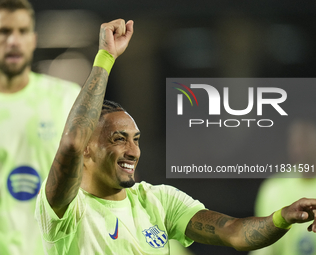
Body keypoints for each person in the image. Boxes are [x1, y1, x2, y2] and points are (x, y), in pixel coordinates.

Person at [35, 19, 316, 255]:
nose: (133, 150)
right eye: (119, 139)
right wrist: (105, 58)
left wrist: (283, 217)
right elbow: (71, 143)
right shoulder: (67, 209)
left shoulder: (158, 202)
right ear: (88, 149)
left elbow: (233, 232)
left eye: (136, 139)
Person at [0, 0, 80, 254]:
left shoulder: (68, 99)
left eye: (22, 32)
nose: (14, 41)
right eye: (3, 32)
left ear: (33, 40)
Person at [250, 120, 316, 255]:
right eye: (294, 139)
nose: (298, 146)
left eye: (305, 137)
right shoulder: (274, 188)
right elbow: (262, 246)